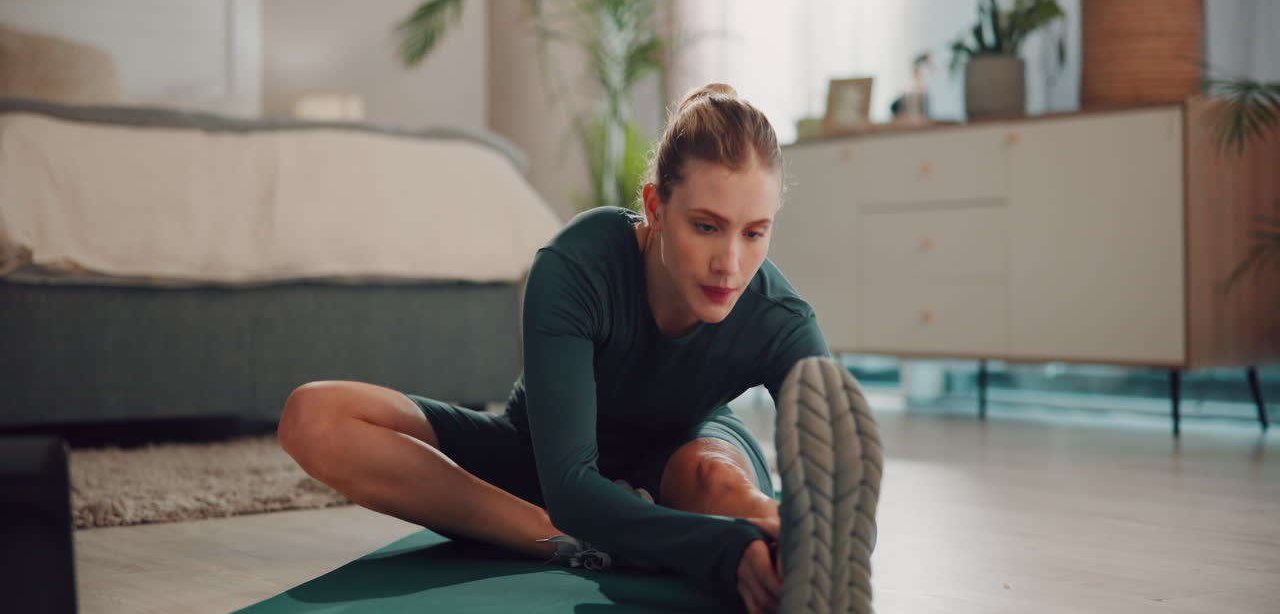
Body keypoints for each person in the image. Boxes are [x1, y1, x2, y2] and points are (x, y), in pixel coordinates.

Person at [278, 83, 882, 614]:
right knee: (315, 417)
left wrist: (779, 542)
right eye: (706, 226)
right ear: (654, 207)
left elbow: (834, 466)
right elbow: (568, 481)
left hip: (686, 456)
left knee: (721, 488)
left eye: (755, 233)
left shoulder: (778, 315)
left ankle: (784, 550)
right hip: (540, 458)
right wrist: (717, 553)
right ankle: (559, 540)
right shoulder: (577, 265)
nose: (731, 263)